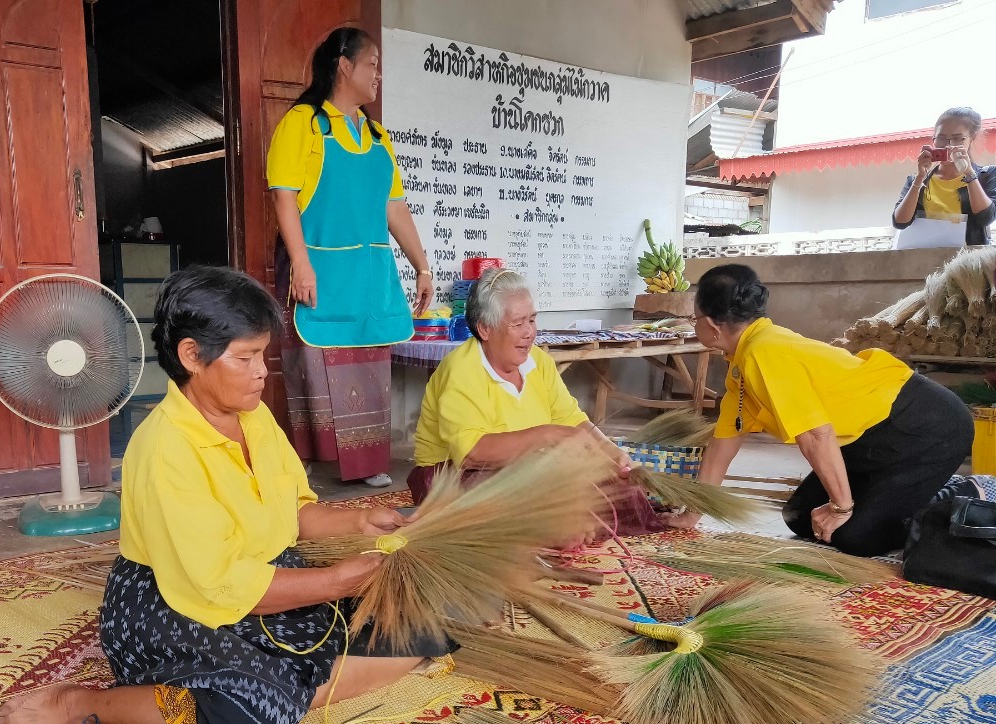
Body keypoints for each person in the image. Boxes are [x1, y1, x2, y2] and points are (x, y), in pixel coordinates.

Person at [0, 267, 449, 724]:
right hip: (172, 602)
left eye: (262, 355)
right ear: (191, 356)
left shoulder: (254, 416)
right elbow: (217, 587)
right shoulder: (165, 450)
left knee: (423, 621)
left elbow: (293, 512)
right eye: (245, 358)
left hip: (268, 580)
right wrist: (336, 582)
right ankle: (80, 703)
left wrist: (362, 521)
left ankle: (280, 703)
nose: (262, 372)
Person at [672, 263, 974, 557]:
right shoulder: (742, 361)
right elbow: (722, 445)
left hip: (926, 427)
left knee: (854, 536)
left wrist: (841, 507)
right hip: (867, 440)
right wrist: (693, 513)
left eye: (693, 318)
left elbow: (817, 436)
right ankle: (895, 494)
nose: (693, 324)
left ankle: (950, 495)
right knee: (801, 517)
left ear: (712, 325)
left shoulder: (763, 352)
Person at [267, 27, 433, 488]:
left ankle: (367, 461)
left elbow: (394, 207)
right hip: (318, 268)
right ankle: (304, 458)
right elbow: (284, 196)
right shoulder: (303, 123)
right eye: (372, 64)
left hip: (368, 276)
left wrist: (422, 266)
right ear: (344, 66)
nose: (379, 74)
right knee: (312, 361)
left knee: (368, 360)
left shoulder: (377, 136)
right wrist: (301, 263)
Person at [409, 268, 633, 505]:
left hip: (520, 467)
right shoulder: (461, 370)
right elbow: (471, 454)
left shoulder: (539, 362)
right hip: (452, 476)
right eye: (517, 323)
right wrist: (547, 435)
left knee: (615, 487)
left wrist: (610, 451)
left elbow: (571, 418)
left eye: (532, 320)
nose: (529, 332)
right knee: (533, 497)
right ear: (485, 328)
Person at [892, 106, 995, 246]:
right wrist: (920, 178)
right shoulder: (916, 180)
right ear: (933, 139)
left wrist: (969, 173)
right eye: (941, 138)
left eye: (957, 138)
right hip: (926, 257)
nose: (947, 145)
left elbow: (985, 218)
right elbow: (900, 222)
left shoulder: (986, 175)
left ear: (972, 138)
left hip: (968, 259)